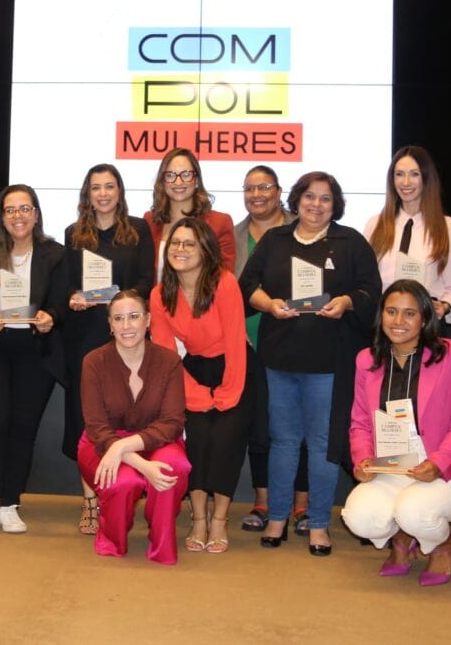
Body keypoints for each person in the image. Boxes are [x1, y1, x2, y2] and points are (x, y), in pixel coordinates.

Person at [239, 171, 381, 555]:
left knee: (321, 443)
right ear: (296, 200)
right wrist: (268, 304)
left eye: (325, 199)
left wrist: (346, 303)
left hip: (329, 363)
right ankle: (278, 517)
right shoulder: (276, 240)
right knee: (283, 441)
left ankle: (319, 523)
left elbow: (371, 290)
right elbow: (247, 285)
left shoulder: (349, 241)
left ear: (335, 205)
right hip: (278, 358)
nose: (316, 205)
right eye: (310, 197)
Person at [341, 280, 451, 586]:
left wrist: (438, 462)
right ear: (381, 315)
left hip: (442, 467)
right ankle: (401, 537)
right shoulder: (367, 360)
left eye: (409, 313)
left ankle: (440, 545)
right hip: (391, 464)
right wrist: (362, 460)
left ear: (425, 318)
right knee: (358, 516)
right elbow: (360, 421)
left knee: (415, 511)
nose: (398, 321)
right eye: (391, 311)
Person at [63, 164, 154, 534]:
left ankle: (123, 495)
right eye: (96, 187)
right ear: (88, 193)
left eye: (110, 186)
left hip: (128, 336)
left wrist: (123, 300)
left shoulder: (139, 230)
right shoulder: (73, 234)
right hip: (85, 336)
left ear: (120, 191)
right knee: (88, 421)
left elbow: (148, 279)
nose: (103, 193)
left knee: (128, 419)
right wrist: (72, 298)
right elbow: (67, 285)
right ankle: (90, 502)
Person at [0, 184, 67, 534]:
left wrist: (49, 318)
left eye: (25, 209)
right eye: (10, 210)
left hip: (34, 353)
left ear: (36, 214)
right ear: (1, 215)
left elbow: (60, 302)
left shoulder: (54, 254)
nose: (18, 216)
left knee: (23, 428)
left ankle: (10, 503)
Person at [150, 216, 248, 554]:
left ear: (205, 249)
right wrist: (196, 394)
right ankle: (198, 521)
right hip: (189, 372)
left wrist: (227, 393)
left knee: (225, 441)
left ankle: (219, 520)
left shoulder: (224, 282)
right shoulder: (160, 294)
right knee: (197, 441)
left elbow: (236, 342)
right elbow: (165, 355)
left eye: (189, 243)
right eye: (175, 243)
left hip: (235, 369)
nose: (180, 249)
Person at [78, 290, 190, 564]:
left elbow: (172, 422)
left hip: (156, 442)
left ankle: (162, 545)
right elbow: (97, 428)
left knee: (175, 467)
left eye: (134, 317)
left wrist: (126, 447)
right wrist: (140, 465)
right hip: (101, 444)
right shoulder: (93, 362)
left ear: (148, 320)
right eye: (119, 318)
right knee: (125, 479)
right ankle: (112, 541)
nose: (127, 326)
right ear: (110, 325)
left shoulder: (169, 361)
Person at [232, 165, 308, 534]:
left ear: (279, 191)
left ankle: (301, 504)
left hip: (297, 342)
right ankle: (262, 500)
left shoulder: (302, 228)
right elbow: (227, 291)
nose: (256, 194)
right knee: (260, 425)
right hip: (248, 344)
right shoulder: (233, 237)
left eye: (264, 187)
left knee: (299, 425)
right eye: (249, 188)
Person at [364, 146, 451, 323]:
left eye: (414, 174)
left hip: (425, 326)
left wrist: (445, 306)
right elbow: (365, 283)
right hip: (383, 326)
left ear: (426, 178)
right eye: (399, 174)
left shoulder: (449, 228)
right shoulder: (375, 225)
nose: (406, 182)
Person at [145, 148, 235, 278]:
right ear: (163, 182)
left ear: (197, 180)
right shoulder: (149, 221)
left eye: (186, 174)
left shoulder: (220, 223)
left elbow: (224, 277)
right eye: (170, 175)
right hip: (156, 298)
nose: (178, 182)